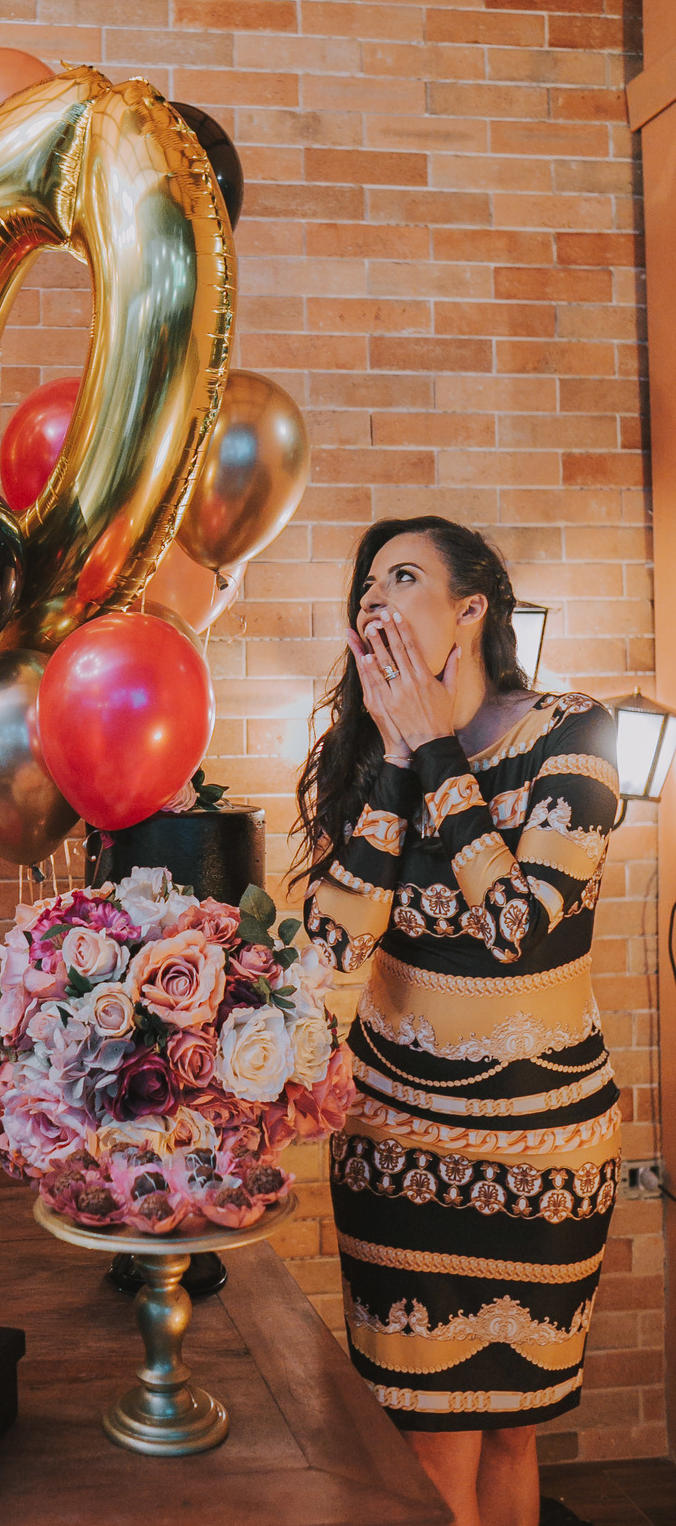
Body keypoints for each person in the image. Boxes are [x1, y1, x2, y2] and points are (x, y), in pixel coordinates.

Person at [293, 517, 620, 1526]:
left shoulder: (574, 731)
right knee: (428, 1445)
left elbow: (519, 922)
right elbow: (334, 945)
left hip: (546, 1150)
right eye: (366, 585)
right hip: (397, 1148)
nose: (374, 598)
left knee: (515, 1430)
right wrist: (399, 760)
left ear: (471, 608)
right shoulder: (370, 756)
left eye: (403, 577)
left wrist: (436, 747)